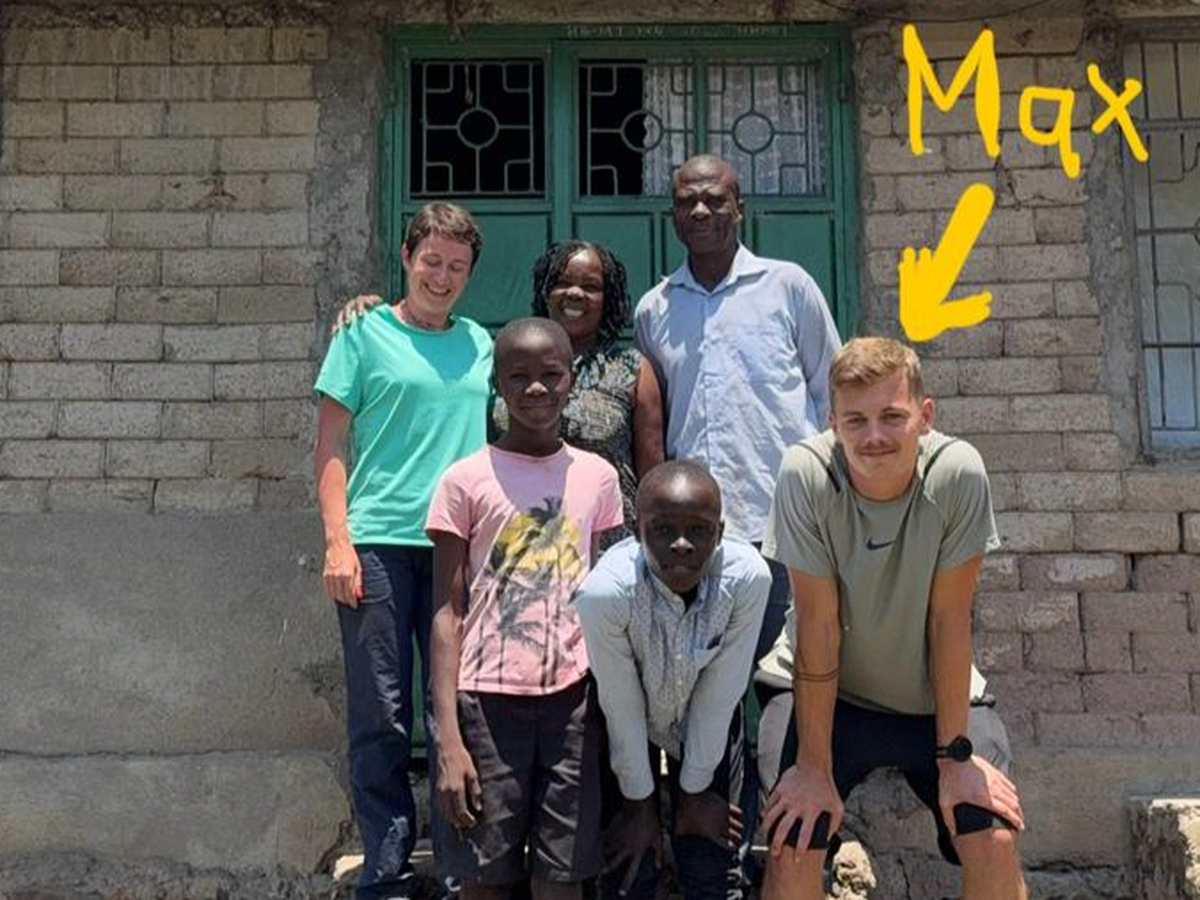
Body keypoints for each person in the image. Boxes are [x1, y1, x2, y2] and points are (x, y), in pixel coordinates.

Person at [755, 337, 1027, 900]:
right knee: (794, 839)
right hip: (827, 693)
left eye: (892, 417)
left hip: (931, 698)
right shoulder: (806, 474)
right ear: (832, 421)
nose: (874, 436)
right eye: (855, 420)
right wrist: (812, 767)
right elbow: (818, 626)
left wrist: (956, 758)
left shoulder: (956, 473)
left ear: (925, 416)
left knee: (993, 836)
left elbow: (949, 620)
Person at [633, 153, 843, 871]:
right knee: (708, 701)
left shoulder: (788, 287)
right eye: (687, 201)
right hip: (700, 547)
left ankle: (793, 853)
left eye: (715, 199)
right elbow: (654, 418)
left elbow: (831, 396)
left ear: (739, 207)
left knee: (790, 691)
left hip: (787, 530)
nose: (701, 211)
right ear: (672, 216)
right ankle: (713, 862)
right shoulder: (656, 309)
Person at [314, 202, 492, 900]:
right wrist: (338, 541)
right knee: (381, 711)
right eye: (431, 262)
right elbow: (332, 445)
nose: (442, 277)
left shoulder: (479, 342)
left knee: (457, 707)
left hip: (458, 547)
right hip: (379, 544)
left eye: (457, 267)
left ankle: (456, 866)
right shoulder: (362, 334)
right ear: (406, 258)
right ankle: (386, 868)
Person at [425, 317, 624, 900]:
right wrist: (448, 739)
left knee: (561, 879)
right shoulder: (464, 480)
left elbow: (605, 597)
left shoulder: (598, 478)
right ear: (497, 384)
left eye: (551, 375)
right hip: (486, 704)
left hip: (573, 703)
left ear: (571, 380)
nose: (536, 388)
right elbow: (446, 612)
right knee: (487, 878)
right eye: (519, 377)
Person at [576, 460, 771, 900]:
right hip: (626, 720)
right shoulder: (605, 593)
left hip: (707, 718)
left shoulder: (746, 579)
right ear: (636, 531)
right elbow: (621, 705)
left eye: (699, 531)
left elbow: (720, 694)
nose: (682, 545)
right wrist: (639, 805)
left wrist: (694, 794)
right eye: (663, 530)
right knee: (630, 864)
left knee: (711, 864)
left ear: (721, 533)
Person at [495, 239, 666, 547]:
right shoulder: (507, 358)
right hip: (520, 540)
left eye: (590, 286)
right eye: (562, 283)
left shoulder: (633, 370)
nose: (574, 293)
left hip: (607, 544)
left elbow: (652, 476)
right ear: (545, 291)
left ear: (607, 298)